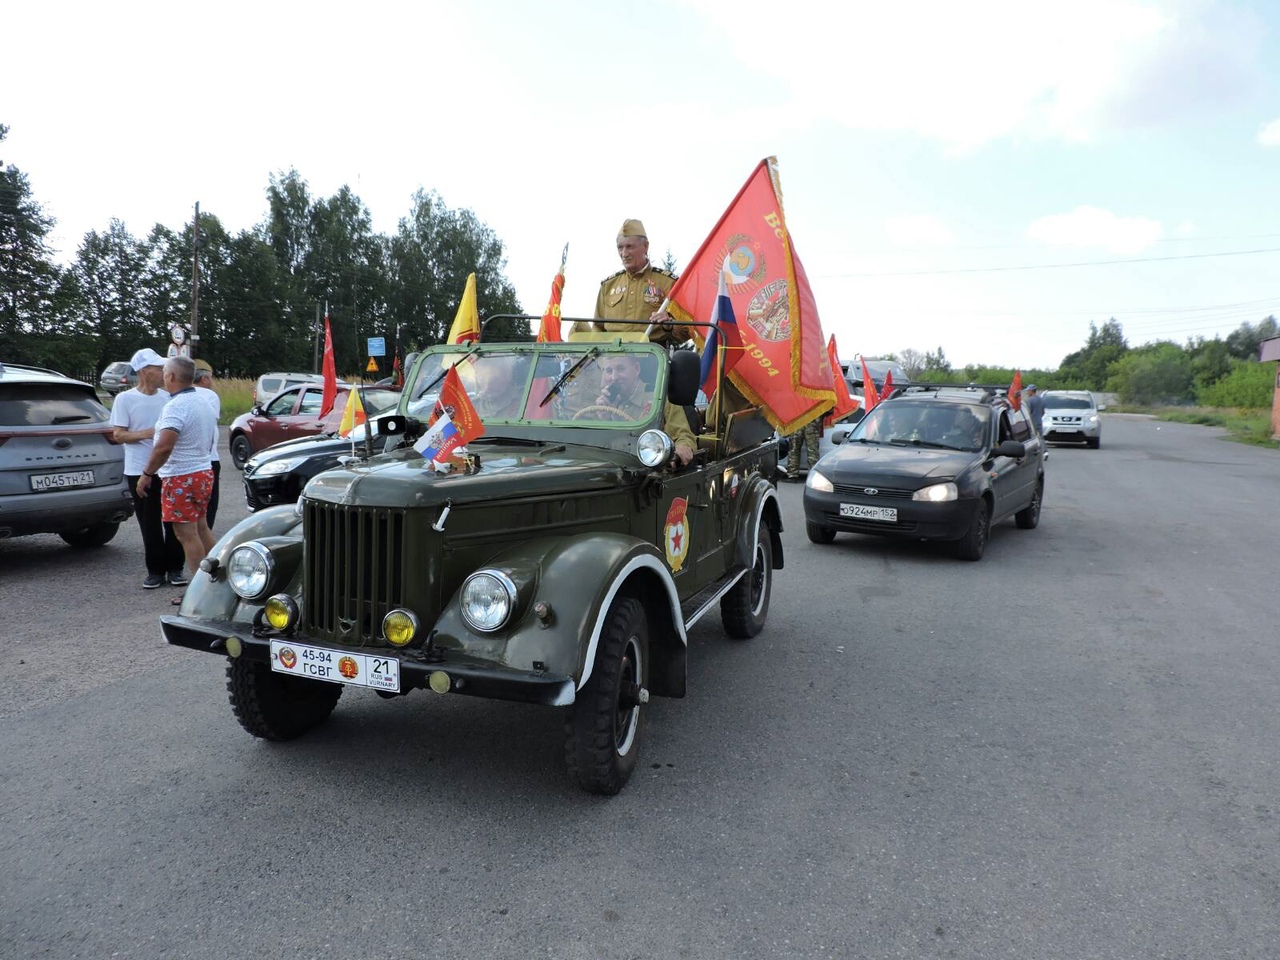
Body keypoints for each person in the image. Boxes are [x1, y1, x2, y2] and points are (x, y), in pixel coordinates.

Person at [136, 357, 218, 601]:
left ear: (171, 377)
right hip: (202, 472)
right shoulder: (200, 400)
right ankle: (219, 579)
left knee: (186, 534)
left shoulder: (176, 406)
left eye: (164, 372)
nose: (162, 375)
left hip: (181, 477)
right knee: (201, 527)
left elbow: (164, 446)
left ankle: (200, 593)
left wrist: (146, 474)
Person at [110, 348, 186, 588]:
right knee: (149, 522)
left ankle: (175, 568)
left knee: (173, 520)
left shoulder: (168, 398)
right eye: (157, 368)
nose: (163, 372)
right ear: (144, 371)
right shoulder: (125, 399)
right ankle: (155, 570)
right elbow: (118, 435)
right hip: (138, 470)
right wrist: (150, 433)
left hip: (168, 469)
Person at [571, 219, 690, 344]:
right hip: (612, 358)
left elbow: (687, 331)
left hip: (652, 357)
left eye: (629, 247)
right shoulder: (608, 286)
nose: (624, 254)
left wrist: (669, 325)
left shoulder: (668, 283)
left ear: (645, 247)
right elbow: (597, 329)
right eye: (620, 248)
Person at [591, 353, 696, 466]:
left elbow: (684, 436)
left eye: (620, 369)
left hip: (650, 470)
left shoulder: (659, 398)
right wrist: (604, 419)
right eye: (608, 371)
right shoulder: (604, 402)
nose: (614, 377)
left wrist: (682, 448)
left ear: (636, 369)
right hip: (613, 466)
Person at [193, 359, 221, 529]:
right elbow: (209, 426)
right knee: (207, 511)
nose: (211, 382)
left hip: (185, 462)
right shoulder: (209, 395)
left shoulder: (178, 394)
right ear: (203, 379)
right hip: (208, 459)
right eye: (210, 378)